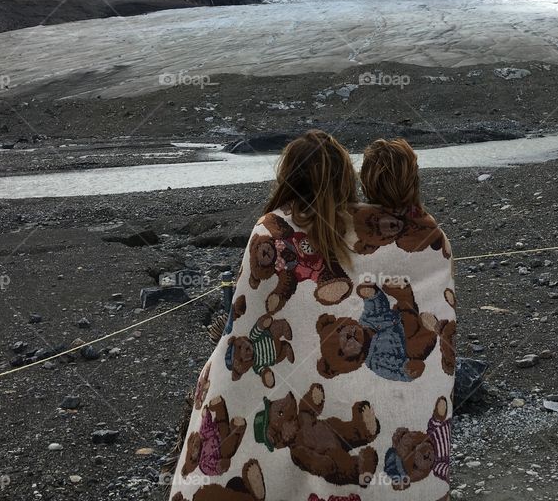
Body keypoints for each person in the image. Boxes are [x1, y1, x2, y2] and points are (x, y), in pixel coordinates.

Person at [169, 130, 456, 501]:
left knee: (281, 463)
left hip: (296, 390)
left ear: (287, 174)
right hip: (357, 398)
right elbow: (437, 316)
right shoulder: (424, 236)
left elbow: (244, 320)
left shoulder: (270, 231)